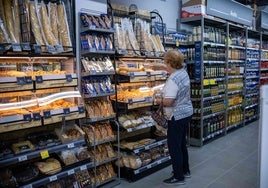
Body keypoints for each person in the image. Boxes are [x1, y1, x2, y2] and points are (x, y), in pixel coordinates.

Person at [154, 49, 193, 185]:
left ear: (169, 62)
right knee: (181, 143)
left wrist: (156, 100)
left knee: (174, 146)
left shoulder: (173, 79)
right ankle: (185, 170)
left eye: (165, 61)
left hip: (177, 115)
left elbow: (169, 101)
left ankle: (178, 176)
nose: (164, 64)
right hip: (186, 112)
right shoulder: (183, 73)